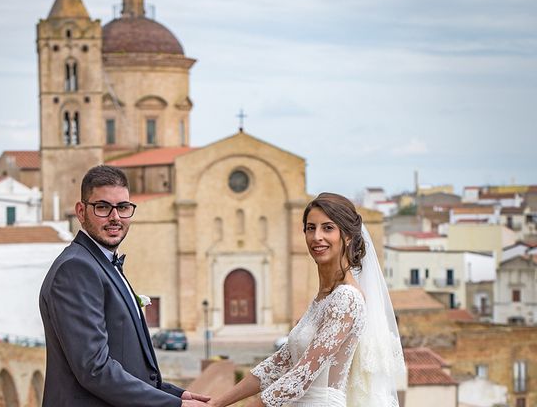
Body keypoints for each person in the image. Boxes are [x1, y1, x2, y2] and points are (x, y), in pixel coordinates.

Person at [209, 193, 405, 407]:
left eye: (327, 228)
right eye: (311, 228)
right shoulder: (322, 299)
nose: (317, 236)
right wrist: (216, 403)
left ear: (347, 236)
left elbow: (301, 376)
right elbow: (278, 364)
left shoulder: (347, 298)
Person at [39, 165, 211, 407]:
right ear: (81, 211)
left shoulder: (102, 263)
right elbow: (94, 368)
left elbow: (126, 361)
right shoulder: (76, 269)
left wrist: (175, 394)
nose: (115, 217)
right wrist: (174, 406)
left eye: (122, 207)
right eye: (102, 207)